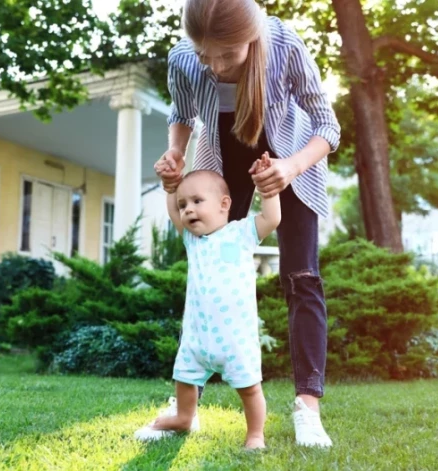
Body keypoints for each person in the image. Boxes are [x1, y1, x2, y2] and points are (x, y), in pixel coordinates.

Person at [154, 0, 340, 448]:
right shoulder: (183, 58)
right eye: (204, 55)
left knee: (302, 277)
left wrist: (290, 168)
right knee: (208, 267)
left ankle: (307, 408)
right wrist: (177, 152)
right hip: (222, 156)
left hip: (289, 156)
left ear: (251, 39)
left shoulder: (283, 45)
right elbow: (181, 115)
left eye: (225, 55)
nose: (214, 67)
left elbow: (327, 126)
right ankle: (186, 409)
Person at [135, 154, 280, 449]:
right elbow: (174, 215)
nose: (187, 210)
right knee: (185, 379)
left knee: (250, 389)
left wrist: (268, 191)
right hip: (197, 337)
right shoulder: (193, 241)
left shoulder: (241, 233)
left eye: (196, 202)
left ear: (224, 205)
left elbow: (271, 218)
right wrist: (170, 189)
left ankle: (255, 434)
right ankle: (184, 418)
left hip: (235, 338)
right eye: (183, 205)